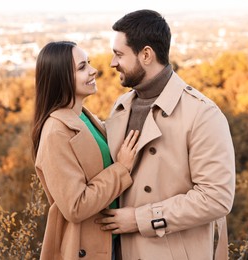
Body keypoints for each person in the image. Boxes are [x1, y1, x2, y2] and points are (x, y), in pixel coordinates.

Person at [95, 10, 236, 260]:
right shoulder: (121, 106)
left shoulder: (202, 114)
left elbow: (216, 198)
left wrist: (140, 219)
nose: (112, 63)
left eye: (119, 54)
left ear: (146, 55)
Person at [31, 41, 139, 260]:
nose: (93, 70)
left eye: (88, 63)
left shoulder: (83, 116)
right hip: (85, 248)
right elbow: (75, 206)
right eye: (82, 67)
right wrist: (121, 169)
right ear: (61, 78)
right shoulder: (56, 133)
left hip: (113, 244)